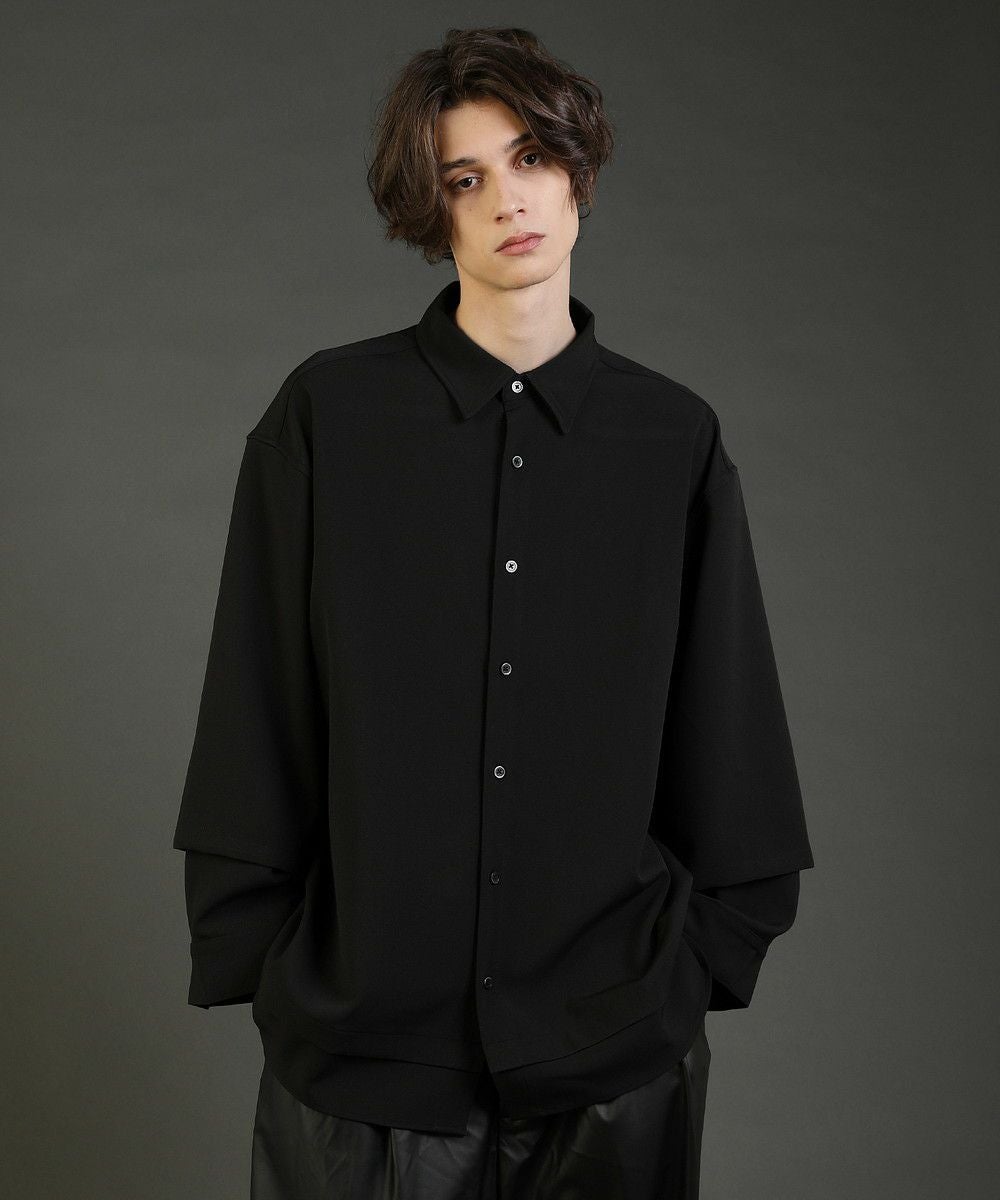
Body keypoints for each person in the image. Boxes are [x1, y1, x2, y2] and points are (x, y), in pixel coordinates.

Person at [173, 25, 815, 1200]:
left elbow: (728, 722)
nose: (508, 200)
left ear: (576, 169)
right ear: (431, 212)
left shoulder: (671, 437)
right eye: (463, 178)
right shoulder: (328, 416)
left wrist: (705, 956)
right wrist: (263, 956)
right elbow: (256, 693)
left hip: (613, 1051)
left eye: (528, 159)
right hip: (363, 1062)